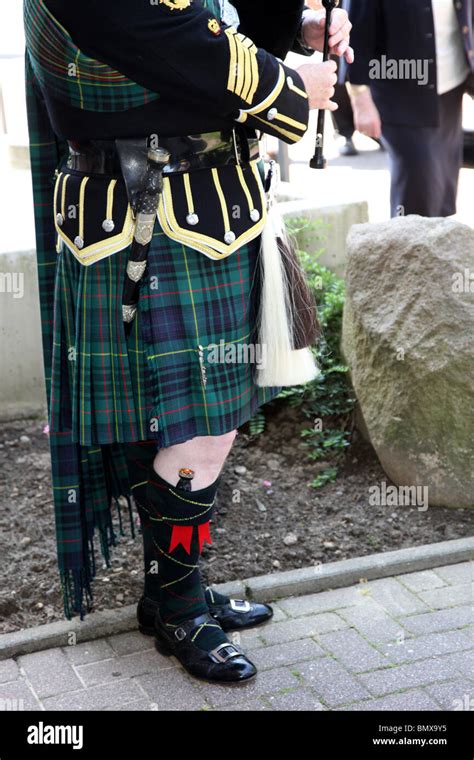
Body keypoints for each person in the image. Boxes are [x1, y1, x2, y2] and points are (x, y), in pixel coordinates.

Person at [25, 0, 352, 684]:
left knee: (182, 433)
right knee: (196, 435)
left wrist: (300, 23)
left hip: (206, 210)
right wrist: (288, 83)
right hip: (146, 209)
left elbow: (220, 19)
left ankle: (171, 591)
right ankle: (178, 606)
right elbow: (155, 33)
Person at [345, 0, 474, 217]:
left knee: (442, 190)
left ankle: (435, 247)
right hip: (399, 94)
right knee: (415, 194)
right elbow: (356, 33)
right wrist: (360, 98)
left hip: (451, 88)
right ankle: (407, 249)